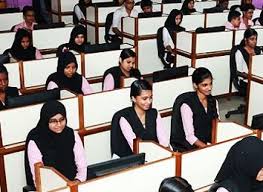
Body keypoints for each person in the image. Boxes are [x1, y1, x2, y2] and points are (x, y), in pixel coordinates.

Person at [25, 100, 88, 189]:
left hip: (74, 183)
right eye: (53, 121)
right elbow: (38, 176)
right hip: (50, 188)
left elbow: (82, 165)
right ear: (46, 121)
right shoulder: (35, 139)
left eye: (62, 120)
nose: (59, 124)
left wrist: (77, 182)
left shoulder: (71, 134)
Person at [111, 79, 169, 157]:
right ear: (133, 98)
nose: (149, 102)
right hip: (132, 160)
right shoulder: (124, 118)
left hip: (155, 155)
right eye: (144, 99)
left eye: (150, 97)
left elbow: (164, 141)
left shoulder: (154, 113)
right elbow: (135, 148)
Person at [170, 67, 218, 152]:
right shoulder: (187, 105)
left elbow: (217, 124)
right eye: (205, 85)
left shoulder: (213, 101)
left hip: (207, 142)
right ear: (195, 85)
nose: (209, 88)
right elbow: (190, 137)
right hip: (190, 146)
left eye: (210, 84)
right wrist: (209, 149)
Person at [232, 28, 261, 96]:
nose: (254, 41)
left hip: (257, 76)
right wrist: (251, 77)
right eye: (252, 39)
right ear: (246, 39)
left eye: (255, 39)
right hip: (245, 80)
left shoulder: (258, 50)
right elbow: (239, 72)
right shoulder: (240, 52)